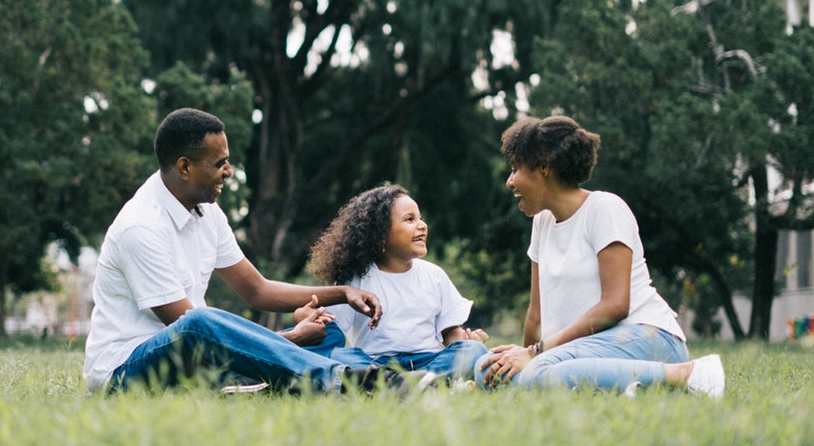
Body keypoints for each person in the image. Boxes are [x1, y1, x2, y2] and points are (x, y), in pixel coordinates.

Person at [82, 108, 396, 395]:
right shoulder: (141, 227)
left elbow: (257, 290)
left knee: (326, 334)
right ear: (184, 167)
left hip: (195, 358)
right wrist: (294, 339)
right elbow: (193, 334)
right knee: (198, 321)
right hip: (125, 371)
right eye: (219, 163)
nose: (229, 171)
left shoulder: (207, 212)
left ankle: (257, 383)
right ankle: (340, 379)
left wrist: (343, 293)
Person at [477, 115, 724, 398]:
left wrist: (536, 354)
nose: (510, 181)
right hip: (580, 349)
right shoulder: (542, 223)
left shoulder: (605, 209)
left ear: (543, 167)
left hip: (645, 336)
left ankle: (687, 373)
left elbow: (615, 305)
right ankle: (620, 386)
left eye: (514, 168)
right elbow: (536, 316)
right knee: (487, 371)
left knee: (540, 372)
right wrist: (520, 358)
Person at [306, 183, 490, 381]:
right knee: (339, 356)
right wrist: (308, 316)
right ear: (379, 236)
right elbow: (331, 330)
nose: (422, 225)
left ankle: (415, 381)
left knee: (474, 350)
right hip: (375, 364)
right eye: (409, 220)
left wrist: (463, 342)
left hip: (428, 360)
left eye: (420, 218)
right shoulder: (355, 279)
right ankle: (400, 382)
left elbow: (450, 331)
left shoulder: (434, 275)